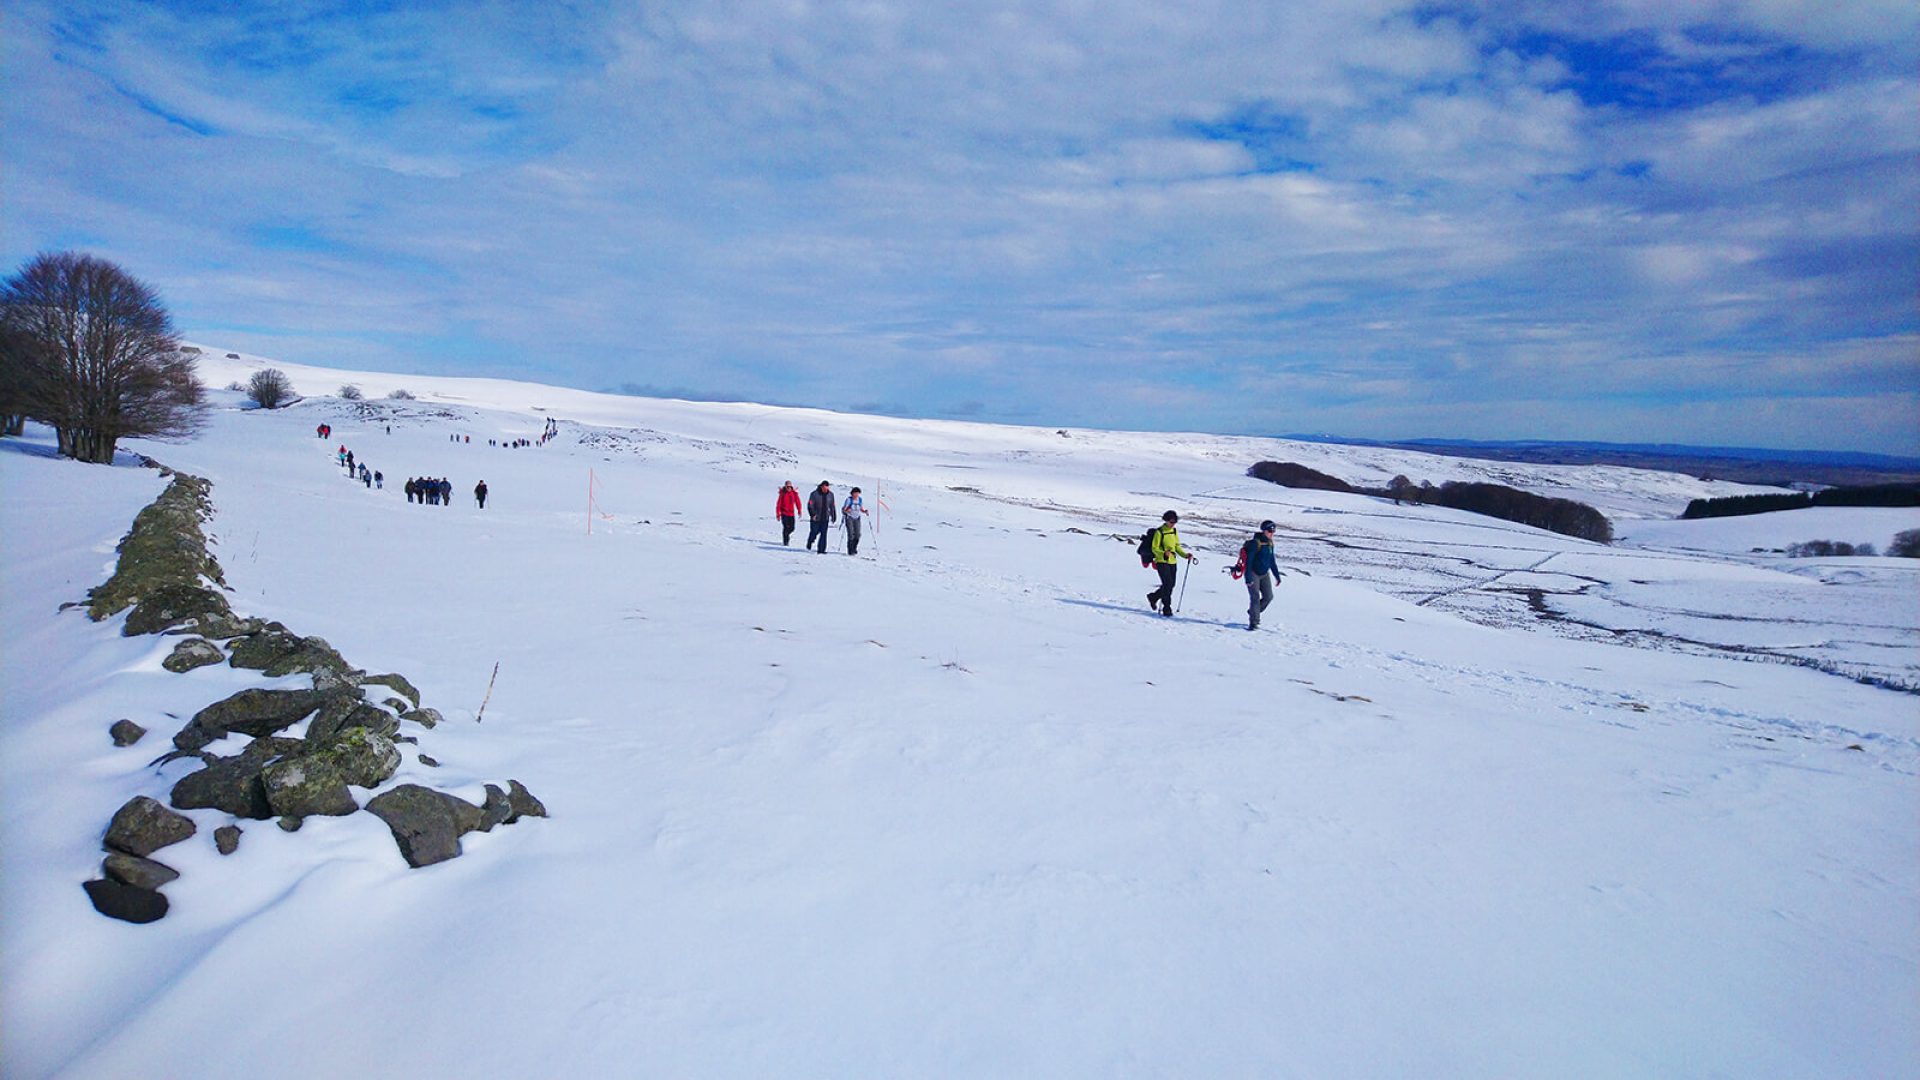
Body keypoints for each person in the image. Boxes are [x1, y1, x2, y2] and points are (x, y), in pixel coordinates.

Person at [1146, 510, 1195, 616]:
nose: (1173, 524)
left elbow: (1176, 546)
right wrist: (1164, 553)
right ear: (1166, 520)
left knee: (1171, 585)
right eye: (1171, 522)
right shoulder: (1159, 532)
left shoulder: (1174, 531)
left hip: (1172, 561)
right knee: (1167, 584)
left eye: (1174, 522)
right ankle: (1166, 607)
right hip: (1161, 561)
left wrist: (1185, 555)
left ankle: (1153, 597)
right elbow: (1154, 548)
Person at [1243, 520, 1281, 630]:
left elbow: (1271, 560)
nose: (1271, 533)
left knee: (1268, 597)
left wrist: (1277, 576)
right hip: (1254, 573)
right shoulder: (1256, 543)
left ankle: (1253, 612)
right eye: (1270, 531)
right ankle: (1253, 623)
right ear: (1264, 531)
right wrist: (1248, 577)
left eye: (1273, 531)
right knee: (1255, 598)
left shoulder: (1270, 543)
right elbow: (1248, 562)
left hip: (1264, 574)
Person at [806, 481, 836, 554]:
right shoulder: (814, 494)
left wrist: (833, 516)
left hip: (825, 517)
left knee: (823, 534)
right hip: (816, 517)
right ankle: (810, 541)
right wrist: (812, 514)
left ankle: (821, 550)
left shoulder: (831, 495)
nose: (826, 488)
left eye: (827, 486)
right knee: (814, 532)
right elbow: (810, 505)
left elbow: (832, 506)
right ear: (821, 486)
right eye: (824, 486)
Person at [841, 487, 868, 555]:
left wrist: (865, 511)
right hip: (849, 517)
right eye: (855, 493)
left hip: (857, 518)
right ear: (852, 493)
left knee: (858, 534)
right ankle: (850, 550)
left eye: (857, 493)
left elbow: (861, 508)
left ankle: (854, 547)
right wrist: (847, 510)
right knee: (851, 534)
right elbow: (844, 509)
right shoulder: (848, 500)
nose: (856, 495)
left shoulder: (860, 500)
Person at [775, 481, 802, 546]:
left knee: (792, 528)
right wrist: (778, 514)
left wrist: (799, 511)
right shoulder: (782, 494)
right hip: (784, 513)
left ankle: (786, 535)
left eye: (790, 486)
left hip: (791, 514)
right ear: (785, 486)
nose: (788, 488)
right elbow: (778, 505)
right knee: (786, 527)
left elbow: (798, 502)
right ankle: (785, 542)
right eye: (787, 486)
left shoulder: (794, 494)